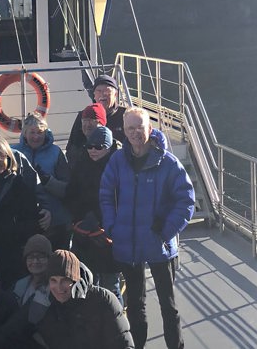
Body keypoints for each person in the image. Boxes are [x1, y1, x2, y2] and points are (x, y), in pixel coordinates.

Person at [100, 109, 195, 349]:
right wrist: (112, 226)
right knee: (135, 303)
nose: (135, 133)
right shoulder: (117, 161)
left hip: (159, 244)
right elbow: (105, 195)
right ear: (123, 131)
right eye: (130, 128)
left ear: (149, 129)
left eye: (139, 127)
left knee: (168, 305)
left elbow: (186, 200)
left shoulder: (167, 162)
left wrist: (165, 231)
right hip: (128, 244)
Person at [0, 137, 44, 284]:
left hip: (12, 255)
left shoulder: (19, 185)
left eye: (1, 156)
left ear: (9, 159)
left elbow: (31, 221)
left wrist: (12, 231)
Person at [37, 250, 132, 349]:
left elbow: (123, 342)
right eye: (53, 280)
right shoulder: (47, 306)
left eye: (65, 280)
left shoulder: (103, 300)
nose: (59, 287)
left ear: (75, 280)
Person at [67, 124, 121, 288]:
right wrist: (79, 219)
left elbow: (120, 200)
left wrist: (100, 221)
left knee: (110, 284)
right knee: (86, 283)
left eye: (98, 147)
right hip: (84, 233)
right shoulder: (81, 164)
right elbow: (71, 193)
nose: (93, 150)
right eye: (89, 146)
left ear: (108, 147)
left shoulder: (118, 167)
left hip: (108, 235)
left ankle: (113, 313)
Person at [15, 113, 72, 245]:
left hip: (56, 224)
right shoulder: (15, 153)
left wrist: (48, 181)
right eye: (32, 132)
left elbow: (67, 190)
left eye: (40, 132)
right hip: (25, 222)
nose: (36, 136)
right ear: (24, 133)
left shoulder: (56, 153)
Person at [91, 75, 131, 144]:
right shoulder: (86, 115)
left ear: (115, 94)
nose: (102, 94)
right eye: (99, 91)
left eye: (107, 91)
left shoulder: (127, 115)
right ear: (94, 95)